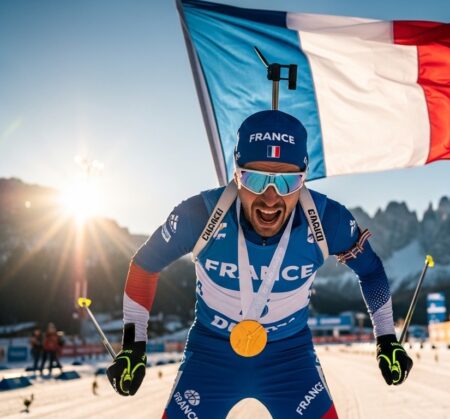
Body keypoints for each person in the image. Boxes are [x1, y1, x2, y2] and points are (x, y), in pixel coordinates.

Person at [106, 110, 412, 418]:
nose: (270, 198)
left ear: (304, 178)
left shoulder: (328, 220)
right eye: (255, 179)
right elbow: (145, 265)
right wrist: (134, 345)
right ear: (236, 175)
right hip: (211, 356)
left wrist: (387, 339)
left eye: (287, 182)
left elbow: (371, 271)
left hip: (289, 359)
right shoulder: (199, 215)